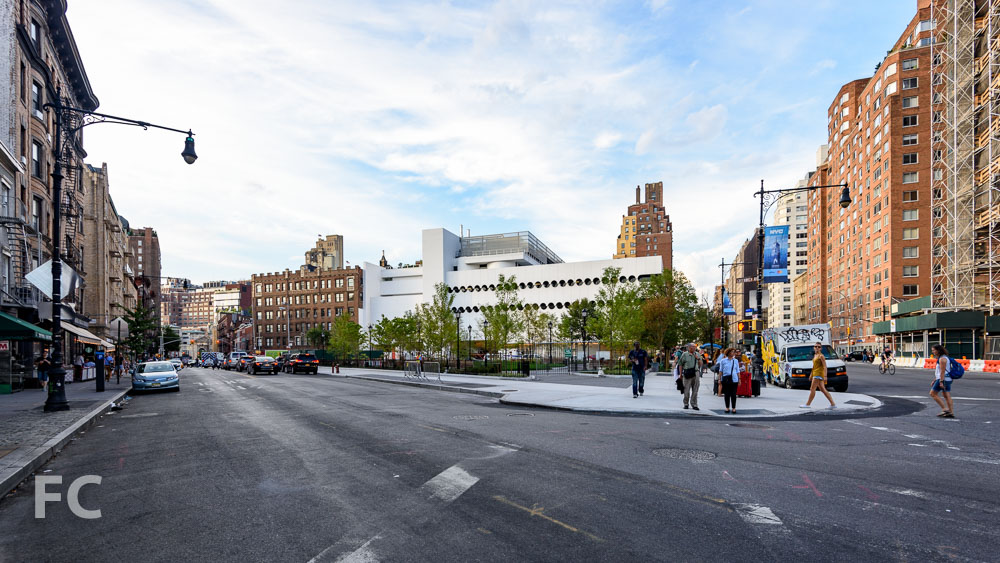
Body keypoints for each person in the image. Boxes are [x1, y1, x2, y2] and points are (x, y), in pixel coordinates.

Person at [800, 343, 836, 409]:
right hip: (815, 373)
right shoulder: (815, 355)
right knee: (823, 390)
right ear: (814, 347)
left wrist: (825, 376)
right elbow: (814, 366)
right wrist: (811, 374)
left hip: (818, 374)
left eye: (818, 347)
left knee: (812, 389)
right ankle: (833, 404)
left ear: (821, 348)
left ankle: (808, 404)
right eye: (815, 346)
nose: (817, 348)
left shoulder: (821, 356)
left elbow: (825, 366)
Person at [930, 344, 955, 418]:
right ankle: (951, 412)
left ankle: (945, 409)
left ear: (938, 350)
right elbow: (940, 371)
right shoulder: (944, 358)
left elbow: (942, 371)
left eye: (934, 350)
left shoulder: (942, 359)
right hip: (947, 378)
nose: (933, 352)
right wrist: (935, 379)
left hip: (943, 379)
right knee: (946, 395)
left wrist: (941, 381)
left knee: (933, 393)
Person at [715, 348, 742, 414]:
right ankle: (727, 407)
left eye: (734, 352)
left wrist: (739, 379)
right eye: (732, 352)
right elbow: (721, 370)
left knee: (733, 394)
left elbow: (738, 370)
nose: (733, 353)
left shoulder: (735, 361)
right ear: (729, 353)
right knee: (727, 394)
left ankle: (733, 408)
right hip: (726, 379)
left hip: (734, 378)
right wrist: (719, 379)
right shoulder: (723, 361)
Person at [678, 343, 702, 410]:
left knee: (695, 389)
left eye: (695, 347)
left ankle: (694, 404)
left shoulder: (697, 354)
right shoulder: (684, 354)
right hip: (687, 373)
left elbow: (701, 364)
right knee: (686, 389)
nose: (694, 348)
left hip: (696, 373)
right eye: (692, 347)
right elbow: (680, 364)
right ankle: (686, 404)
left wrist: (698, 359)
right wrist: (680, 374)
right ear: (688, 348)